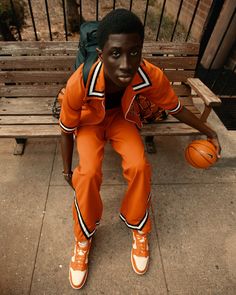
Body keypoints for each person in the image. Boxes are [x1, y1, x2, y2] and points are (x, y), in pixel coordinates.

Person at [59, 8, 221, 289]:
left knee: (139, 166)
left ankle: (138, 225)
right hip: (90, 122)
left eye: (134, 52)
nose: (125, 63)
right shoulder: (81, 81)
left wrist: (209, 131)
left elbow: (175, 107)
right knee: (86, 174)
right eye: (116, 53)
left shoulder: (149, 74)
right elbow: (66, 129)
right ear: (101, 53)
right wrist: (65, 169)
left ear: (141, 50)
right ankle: (83, 238)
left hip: (122, 119)